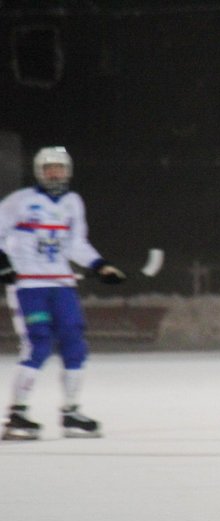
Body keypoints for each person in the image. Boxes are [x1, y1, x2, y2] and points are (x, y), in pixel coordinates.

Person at [0, 146, 126, 440]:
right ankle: (17, 415)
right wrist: (4, 264)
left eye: (59, 168)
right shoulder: (20, 201)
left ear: (67, 171)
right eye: (49, 168)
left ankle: (71, 413)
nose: (54, 173)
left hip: (62, 283)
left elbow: (76, 244)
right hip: (29, 285)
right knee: (39, 344)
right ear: (39, 172)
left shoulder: (72, 202)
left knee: (74, 344)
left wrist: (100, 265)